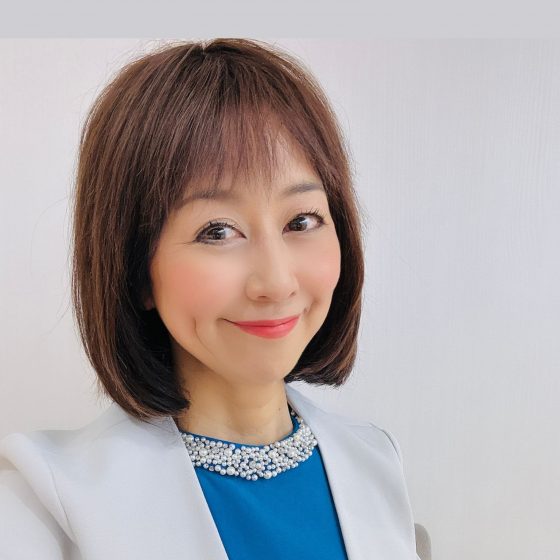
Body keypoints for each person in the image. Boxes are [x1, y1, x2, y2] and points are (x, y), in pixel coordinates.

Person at [0, 38, 420, 559]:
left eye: (301, 221)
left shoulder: (377, 462)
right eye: (218, 231)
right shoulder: (40, 505)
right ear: (136, 269)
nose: (276, 282)